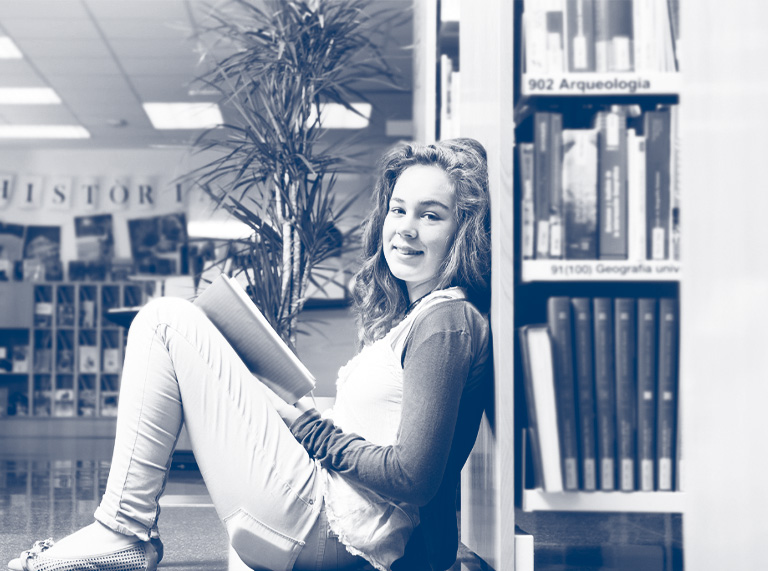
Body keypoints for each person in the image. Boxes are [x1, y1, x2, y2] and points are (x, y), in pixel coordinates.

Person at [8, 137, 493, 571]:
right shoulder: (417, 317)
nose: (405, 228)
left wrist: (304, 426)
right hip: (325, 518)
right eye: (398, 209)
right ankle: (123, 528)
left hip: (333, 533)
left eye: (430, 215)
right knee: (173, 324)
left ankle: (123, 530)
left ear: (462, 231)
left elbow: (413, 477)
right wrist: (300, 412)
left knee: (165, 321)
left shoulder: (445, 322)